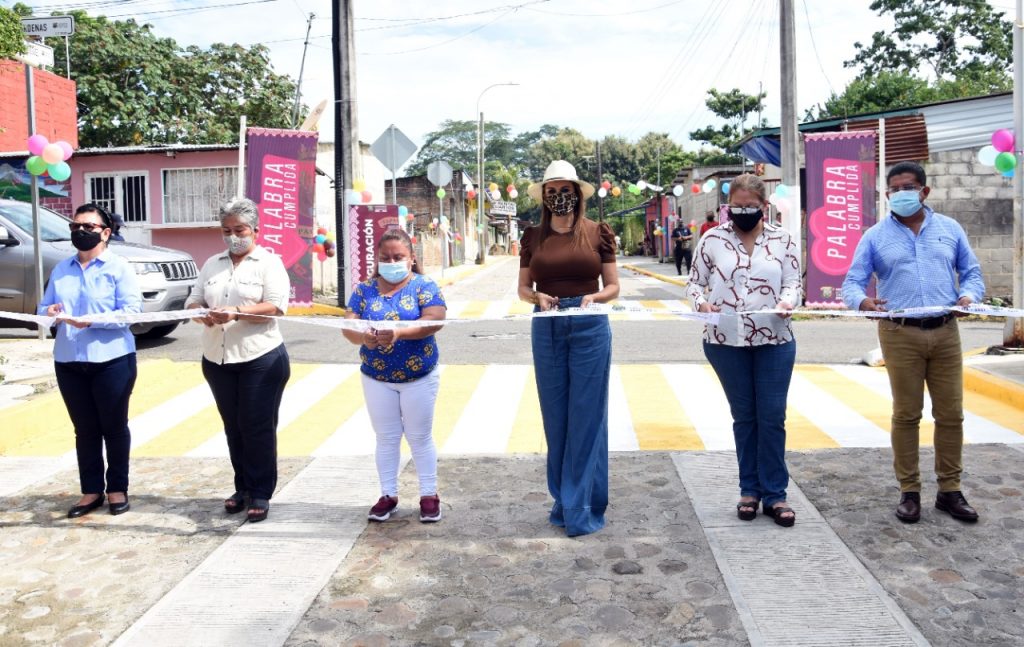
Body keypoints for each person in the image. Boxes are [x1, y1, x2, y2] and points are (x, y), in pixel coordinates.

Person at [842, 161, 984, 524]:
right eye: (894, 189)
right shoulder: (875, 236)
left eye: (908, 187)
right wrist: (863, 302)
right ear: (888, 195)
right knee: (907, 415)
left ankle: (950, 491)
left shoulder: (950, 229)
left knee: (951, 414)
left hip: (946, 332)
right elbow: (852, 282)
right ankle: (910, 492)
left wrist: (969, 296)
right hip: (899, 332)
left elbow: (971, 273)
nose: (901, 194)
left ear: (924, 191)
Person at [687, 173, 801, 527]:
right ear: (727, 207)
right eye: (737, 206)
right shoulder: (712, 240)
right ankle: (749, 490)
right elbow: (694, 283)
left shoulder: (783, 240)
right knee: (745, 417)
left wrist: (787, 301)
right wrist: (701, 304)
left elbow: (794, 282)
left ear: (764, 207)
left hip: (775, 340)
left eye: (750, 206)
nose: (743, 211)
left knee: (772, 416)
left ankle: (776, 494)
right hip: (725, 342)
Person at [519, 160, 620, 537]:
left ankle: (583, 505)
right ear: (544, 198)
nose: (559, 198)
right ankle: (562, 500)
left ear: (577, 195)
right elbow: (522, 289)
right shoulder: (532, 237)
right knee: (556, 417)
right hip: (546, 325)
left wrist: (592, 298)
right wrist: (537, 296)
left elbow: (613, 287)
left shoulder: (598, 233)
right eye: (552, 192)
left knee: (587, 415)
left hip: (589, 325)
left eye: (565, 191)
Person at [186, 198, 291, 523]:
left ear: (255, 230)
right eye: (227, 231)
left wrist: (236, 312)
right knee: (233, 427)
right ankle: (242, 487)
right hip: (217, 359)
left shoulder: (268, 263)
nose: (233, 237)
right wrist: (199, 313)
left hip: (260, 358)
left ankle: (260, 491)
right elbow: (193, 300)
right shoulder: (212, 264)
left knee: (257, 427)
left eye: (240, 230)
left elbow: (275, 307)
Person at [38, 203, 141, 517]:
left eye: (89, 227)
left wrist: (93, 321)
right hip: (69, 360)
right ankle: (91, 491)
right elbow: (42, 311)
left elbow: (132, 312)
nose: (80, 232)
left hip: (111, 359)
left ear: (106, 233)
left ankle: (117, 488)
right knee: (84, 429)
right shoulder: (61, 269)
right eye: (75, 226)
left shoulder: (119, 267)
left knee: (113, 426)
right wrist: (50, 313)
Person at [342, 228, 447, 523]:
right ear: (377, 260)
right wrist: (364, 338)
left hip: (419, 377)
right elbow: (348, 326)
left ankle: (429, 494)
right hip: (376, 378)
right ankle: (388, 494)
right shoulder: (364, 290)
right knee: (386, 438)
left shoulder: (424, 286)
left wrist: (399, 332)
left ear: (411, 258)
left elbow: (435, 320)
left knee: (419, 437)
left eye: (398, 256)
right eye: (385, 257)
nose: (391, 262)